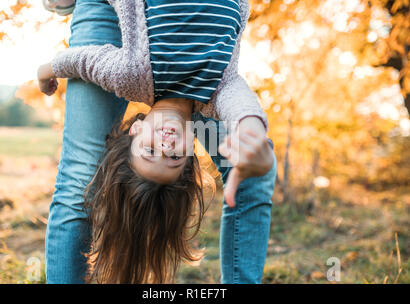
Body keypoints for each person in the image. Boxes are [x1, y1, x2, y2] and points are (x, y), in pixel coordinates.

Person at [40, 0, 277, 283]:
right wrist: (252, 131)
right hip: (109, 17)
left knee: (80, 184)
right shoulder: (217, 89)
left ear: (136, 130)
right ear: (190, 151)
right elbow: (239, 103)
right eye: (173, 158)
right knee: (253, 162)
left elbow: (86, 61)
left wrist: (47, 69)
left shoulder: (131, 74)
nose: (165, 146)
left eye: (150, 150)